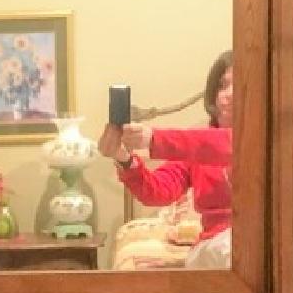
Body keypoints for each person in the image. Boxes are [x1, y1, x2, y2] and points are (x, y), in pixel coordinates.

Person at [99, 51, 234, 249]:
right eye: (222, 85)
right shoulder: (193, 147)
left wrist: (153, 139)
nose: (229, 94)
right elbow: (156, 192)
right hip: (215, 247)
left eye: (240, 86)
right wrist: (123, 157)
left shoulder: (268, 142)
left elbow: (227, 145)